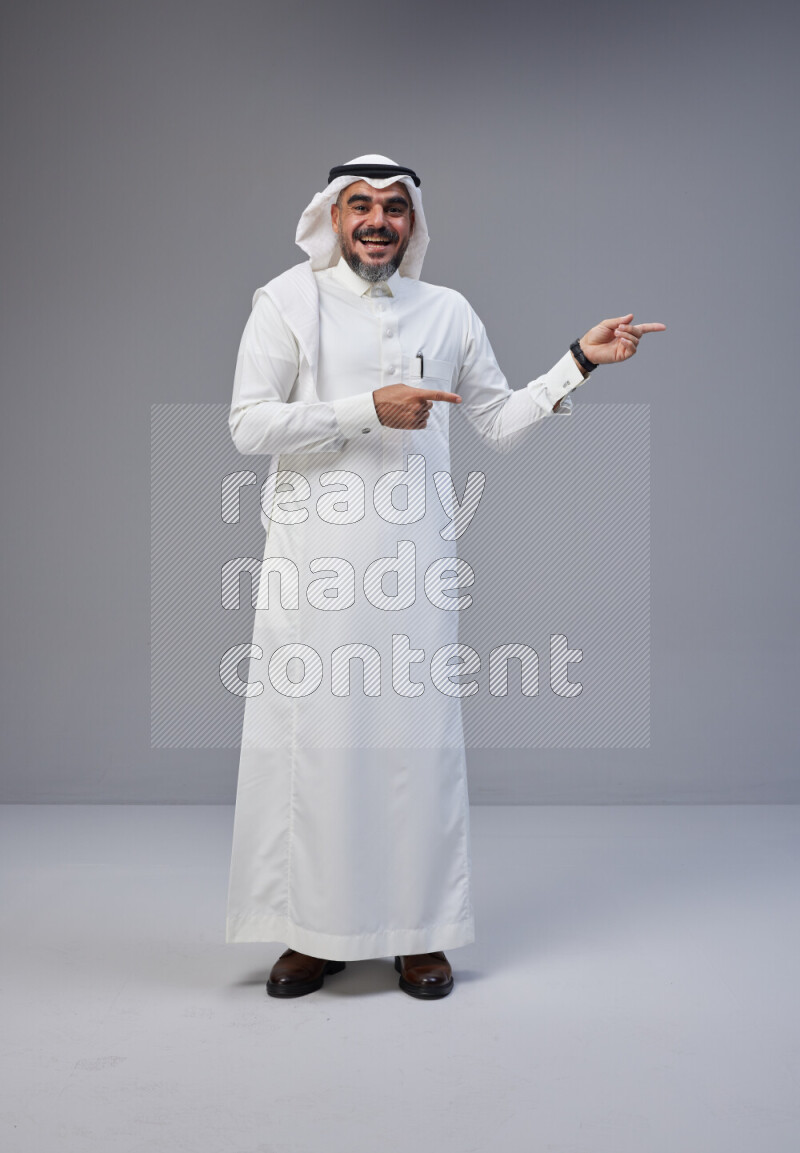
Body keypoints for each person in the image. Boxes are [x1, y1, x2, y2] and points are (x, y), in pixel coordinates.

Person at [224, 154, 665, 1000]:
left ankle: (418, 933)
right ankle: (312, 935)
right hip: (313, 571)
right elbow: (249, 424)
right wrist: (367, 410)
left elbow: (496, 421)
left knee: (414, 750)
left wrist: (580, 360)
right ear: (332, 216)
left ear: (413, 222)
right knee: (317, 749)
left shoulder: (448, 311)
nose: (378, 220)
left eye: (394, 207)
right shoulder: (286, 303)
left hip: (415, 569)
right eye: (361, 205)